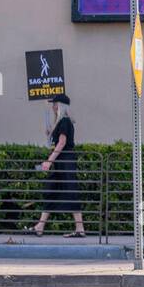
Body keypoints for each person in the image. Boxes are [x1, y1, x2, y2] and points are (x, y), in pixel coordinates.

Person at [32, 97, 84, 237]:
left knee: (71, 191)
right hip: (60, 162)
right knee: (50, 190)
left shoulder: (65, 121)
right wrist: (49, 133)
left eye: (55, 104)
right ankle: (40, 226)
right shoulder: (60, 122)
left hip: (66, 161)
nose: (53, 106)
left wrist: (48, 161)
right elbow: (56, 143)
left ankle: (80, 229)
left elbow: (62, 143)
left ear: (61, 106)